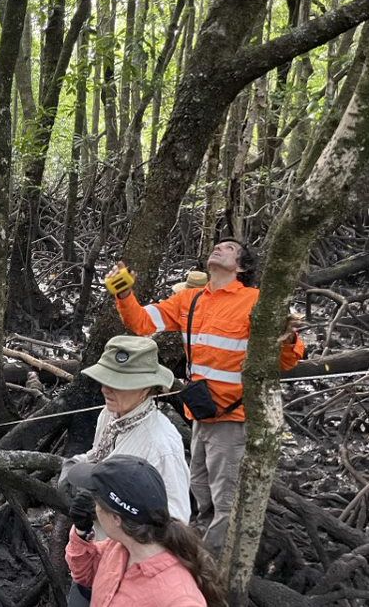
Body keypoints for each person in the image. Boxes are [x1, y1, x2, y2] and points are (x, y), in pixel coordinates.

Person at [107, 238, 305, 555]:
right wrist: (123, 292)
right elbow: (142, 323)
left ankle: (210, 570)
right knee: (200, 491)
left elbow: (287, 360)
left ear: (241, 266)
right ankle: (193, 554)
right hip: (201, 413)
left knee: (226, 501)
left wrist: (288, 336)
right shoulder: (192, 299)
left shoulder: (257, 302)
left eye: (228, 248)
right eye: (217, 245)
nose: (218, 248)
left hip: (234, 419)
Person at [59, 336, 190, 606]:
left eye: (119, 383)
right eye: (105, 379)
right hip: (95, 554)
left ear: (146, 388)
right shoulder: (110, 413)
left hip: (132, 568)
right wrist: (73, 468)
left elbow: (177, 519)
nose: (106, 389)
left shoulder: (161, 444)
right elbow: (99, 454)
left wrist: (106, 503)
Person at [64, 455, 226, 607]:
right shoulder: (118, 548)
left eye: (97, 503)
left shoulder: (178, 597)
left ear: (116, 518)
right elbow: (85, 575)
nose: (95, 508)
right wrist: (82, 531)